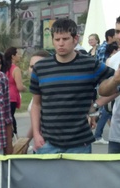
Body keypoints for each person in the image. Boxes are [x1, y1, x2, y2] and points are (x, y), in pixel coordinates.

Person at [30, 18, 116, 154]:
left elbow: (116, 84)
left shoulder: (90, 64)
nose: (61, 44)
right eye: (57, 39)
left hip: (80, 143)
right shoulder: (41, 68)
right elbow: (36, 104)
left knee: (81, 176)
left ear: (75, 39)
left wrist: (96, 105)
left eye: (65, 39)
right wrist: (36, 133)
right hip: (48, 142)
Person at [99, 15, 120, 154]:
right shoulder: (113, 60)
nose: (119, 36)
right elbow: (103, 91)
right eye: (117, 32)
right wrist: (115, 80)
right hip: (117, 134)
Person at [4, 47, 26, 136]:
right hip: (12, 97)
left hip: (4, 97)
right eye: (18, 54)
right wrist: (25, 88)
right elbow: (19, 87)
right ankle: (14, 135)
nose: (20, 56)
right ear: (13, 56)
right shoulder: (15, 69)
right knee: (11, 117)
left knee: (7, 117)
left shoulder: (4, 68)